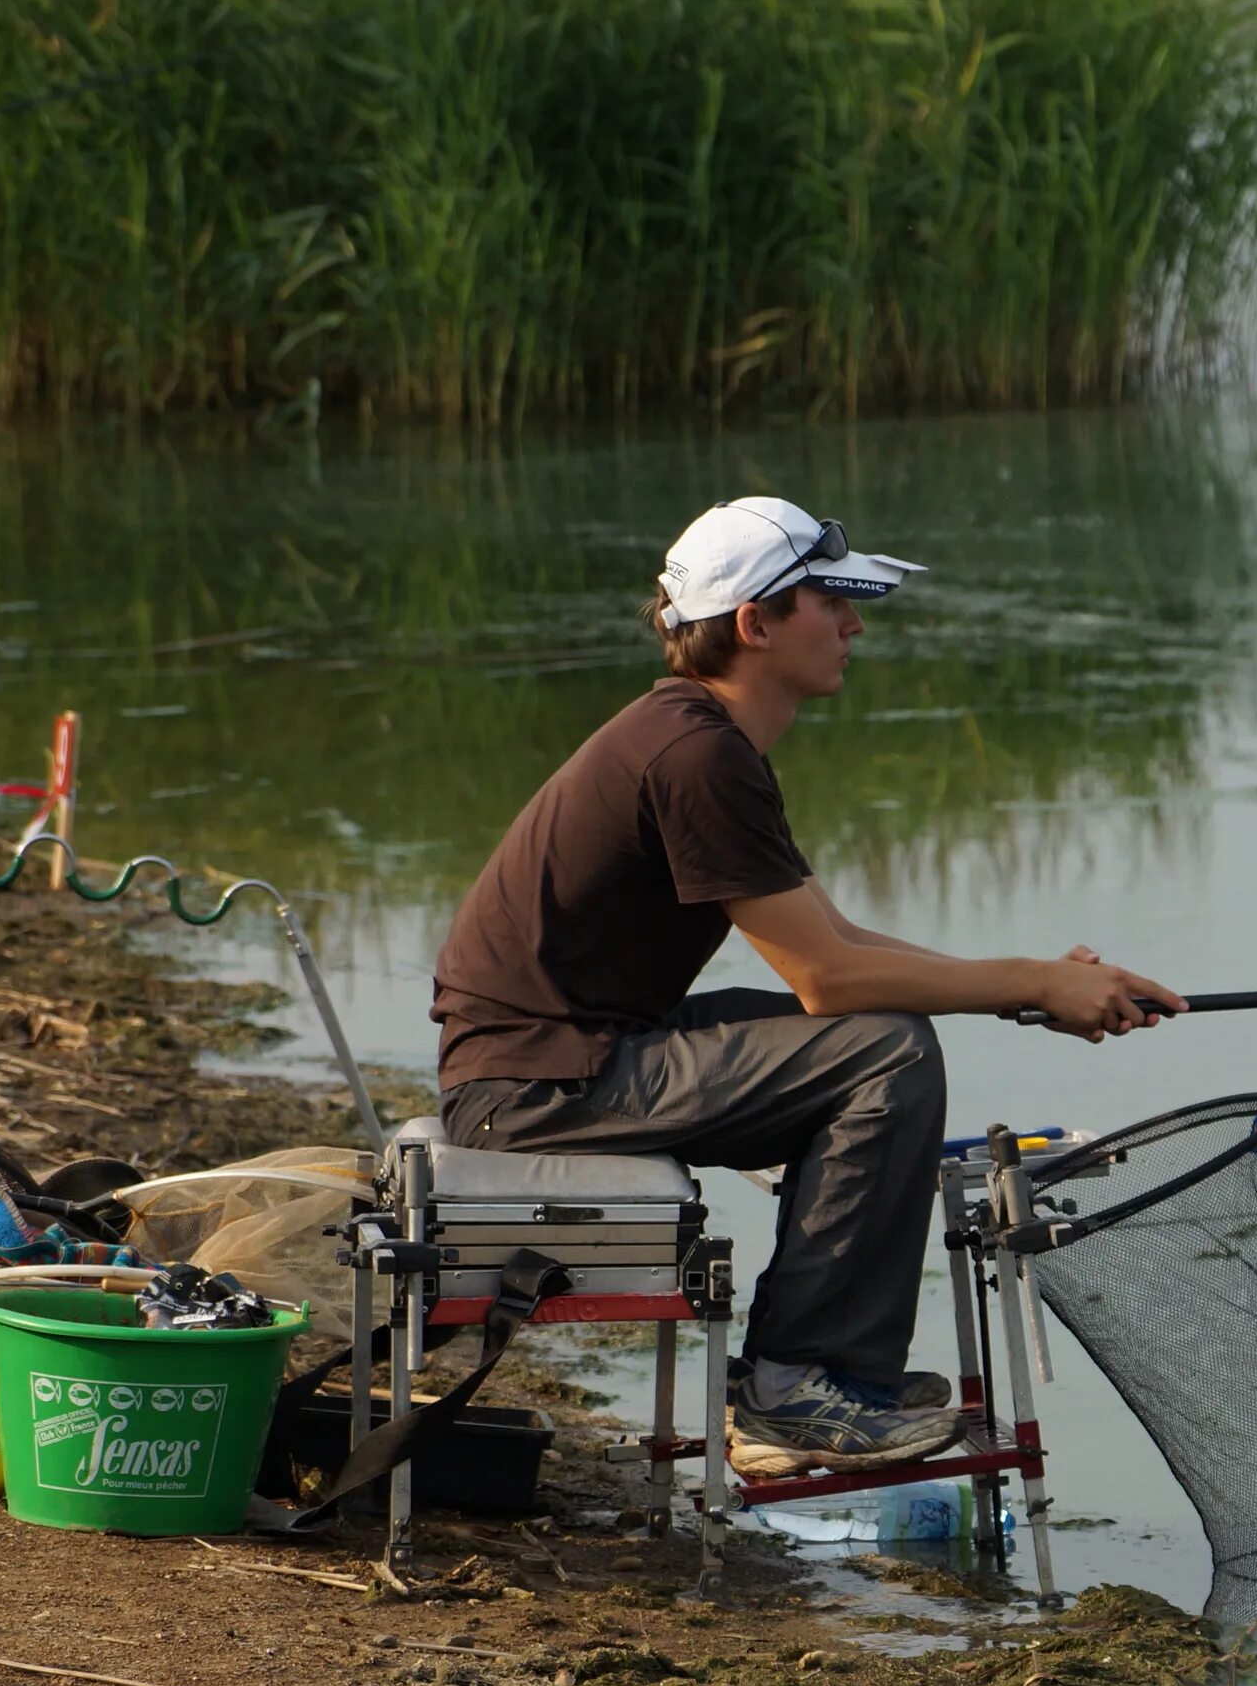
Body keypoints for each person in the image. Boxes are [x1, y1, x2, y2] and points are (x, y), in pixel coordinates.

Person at [429, 497, 1183, 1476]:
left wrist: (1029, 989)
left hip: (572, 1056)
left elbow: (838, 940)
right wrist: (1028, 978)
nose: (856, 625)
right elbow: (829, 980)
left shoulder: (707, 738)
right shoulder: (695, 752)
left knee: (883, 1034)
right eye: (835, 602)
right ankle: (799, 1386)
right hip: (534, 1086)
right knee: (885, 1051)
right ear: (757, 624)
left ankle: (829, 1377)